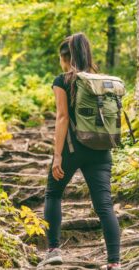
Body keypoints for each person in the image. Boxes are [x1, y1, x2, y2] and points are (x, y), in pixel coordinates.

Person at [37, 32, 122, 270]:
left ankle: (53, 249)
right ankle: (114, 262)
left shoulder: (62, 80)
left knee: (53, 194)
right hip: (101, 149)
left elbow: (62, 117)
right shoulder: (100, 80)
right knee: (104, 205)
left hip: (72, 149)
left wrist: (57, 156)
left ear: (66, 57)